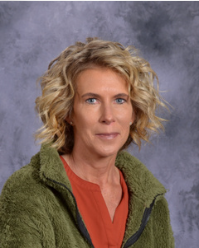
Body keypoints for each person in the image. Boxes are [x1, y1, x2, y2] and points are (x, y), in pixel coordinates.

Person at [0, 37, 174, 248]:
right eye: (92, 100)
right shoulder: (28, 191)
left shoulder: (152, 201)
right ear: (68, 113)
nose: (108, 117)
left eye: (120, 100)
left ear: (134, 113)